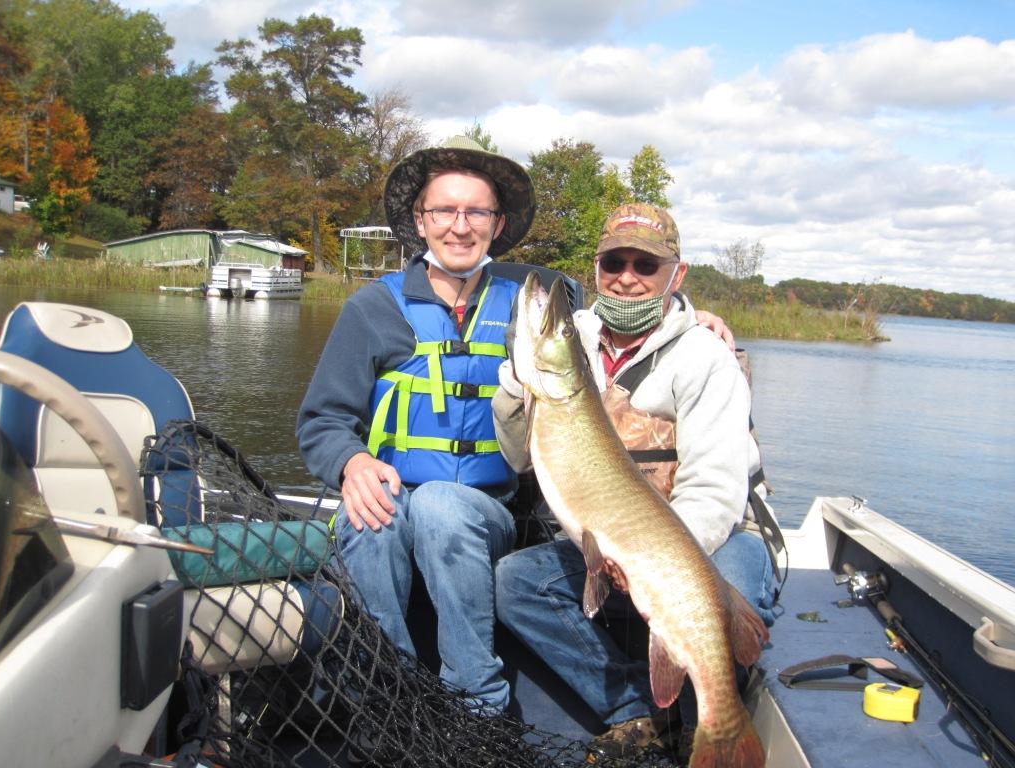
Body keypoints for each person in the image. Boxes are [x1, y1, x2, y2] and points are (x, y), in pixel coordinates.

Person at [491, 202, 777, 759]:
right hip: (605, 541)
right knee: (516, 582)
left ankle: (709, 723)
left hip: (703, 540)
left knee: (732, 583)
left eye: (645, 265)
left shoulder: (704, 356)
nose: (626, 277)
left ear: (676, 274)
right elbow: (519, 459)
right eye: (612, 262)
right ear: (596, 268)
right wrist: (516, 383)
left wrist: (650, 563)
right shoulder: (570, 336)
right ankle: (638, 713)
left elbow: (716, 494)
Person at [296, 136, 535, 713]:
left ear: (497, 224)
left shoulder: (535, 303)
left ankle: (477, 703)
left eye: (475, 211)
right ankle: (389, 699)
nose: (460, 226)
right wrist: (351, 462)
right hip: (397, 498)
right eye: (444, 211)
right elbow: (323, 420)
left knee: (442, 507)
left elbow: (622, 317)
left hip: (485, 513)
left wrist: (698, 317)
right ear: (420, 222)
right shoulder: (372, 308)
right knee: (370, 517)